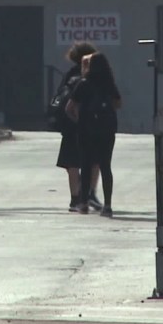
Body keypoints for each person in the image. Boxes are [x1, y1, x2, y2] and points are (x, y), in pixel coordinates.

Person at [65, 52, 121, 218]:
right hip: (106, 130)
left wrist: (79, 120)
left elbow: (69, 108)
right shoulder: (109, 84)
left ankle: (83, 204)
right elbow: (118, 103)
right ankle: (108, 205)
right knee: (105, 166)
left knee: (86, 164)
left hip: (86, 129)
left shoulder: (83, 84)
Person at [51, 42, 101, 212]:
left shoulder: (69, 75)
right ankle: (90, 194)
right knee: (95, 161)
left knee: (72, 163)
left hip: (70, 126)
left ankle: (75, 198)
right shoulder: (94, 77)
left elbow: (60, 97)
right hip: (91, 125)